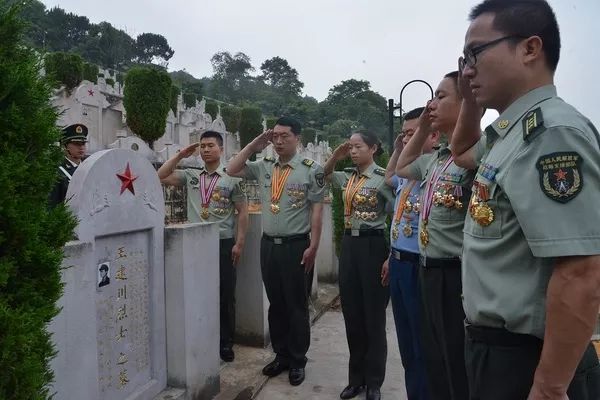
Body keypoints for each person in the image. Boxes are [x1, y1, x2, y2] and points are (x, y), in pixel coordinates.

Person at [451, 1, 600, 398]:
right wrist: (469, 101)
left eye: (476, 54)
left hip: (527, 362)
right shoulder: (510, 132)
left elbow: (581, 272)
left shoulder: (550, 135)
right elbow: (462, 150)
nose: (467, 69)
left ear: (530, 49)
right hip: (496, 352)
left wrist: (548, 389)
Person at [226, 116, 325, 386]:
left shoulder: (310, 169)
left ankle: (297, 360)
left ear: (298, 138)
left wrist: (314, 246)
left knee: (296, 305)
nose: (279, 141)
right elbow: (232, 169)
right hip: (268, 244)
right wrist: (253, 145)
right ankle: (280, 355)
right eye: (275, 136)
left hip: (297, 246)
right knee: (276, 304)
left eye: (285, 136)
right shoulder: (264, 166)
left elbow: (317, 211)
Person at [394, 72, 473, 400]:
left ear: (466, 101)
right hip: (428, 269)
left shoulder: (473, 156)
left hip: (454, 273)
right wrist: (424, 126)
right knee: (431, 355)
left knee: (454, 360)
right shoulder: (435, 162)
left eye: (441, 97)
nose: (432, 104)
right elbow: (402, 166)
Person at [158, 130, 249, 362]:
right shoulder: (191, 175)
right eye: (202, 146)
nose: (205, 149)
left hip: (223, 243)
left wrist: (239, 243)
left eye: (210, 145)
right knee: (196, 292)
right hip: (194, 244)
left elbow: (242, 212)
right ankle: (201, 336)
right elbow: (160, 176)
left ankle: (226, 343)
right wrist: (180, 155)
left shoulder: (232, 177)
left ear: (221, 149)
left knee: (226, 294)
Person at [324, 131, 394, 400]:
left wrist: (390, 255)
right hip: (349, 246)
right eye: (350, 147)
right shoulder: (347, 176)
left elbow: (395, 215)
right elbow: (325, 176)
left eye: (358, 146)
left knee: (374, 318)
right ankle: (356, 379)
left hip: (373, 246)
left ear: (373, 148)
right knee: (352, 316)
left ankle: (374, 382)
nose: (352, 151)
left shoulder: (384, 177)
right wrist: (335, 156)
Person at [383, 107, 439, 400]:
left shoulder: (433, 168)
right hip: (399, 261)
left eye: (412, 133)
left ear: (433, 134)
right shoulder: (408, 172)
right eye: (404, 134)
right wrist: (398, 147)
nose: (406, 140)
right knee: (406, 343)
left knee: (423, 345)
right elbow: (389, 177)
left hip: (421, 265)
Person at [49, 123, 88, 206]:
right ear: (65, 146)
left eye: (83, 143)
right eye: (77, 144)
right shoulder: (58, 172)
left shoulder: (88, 167)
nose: (81, 147)